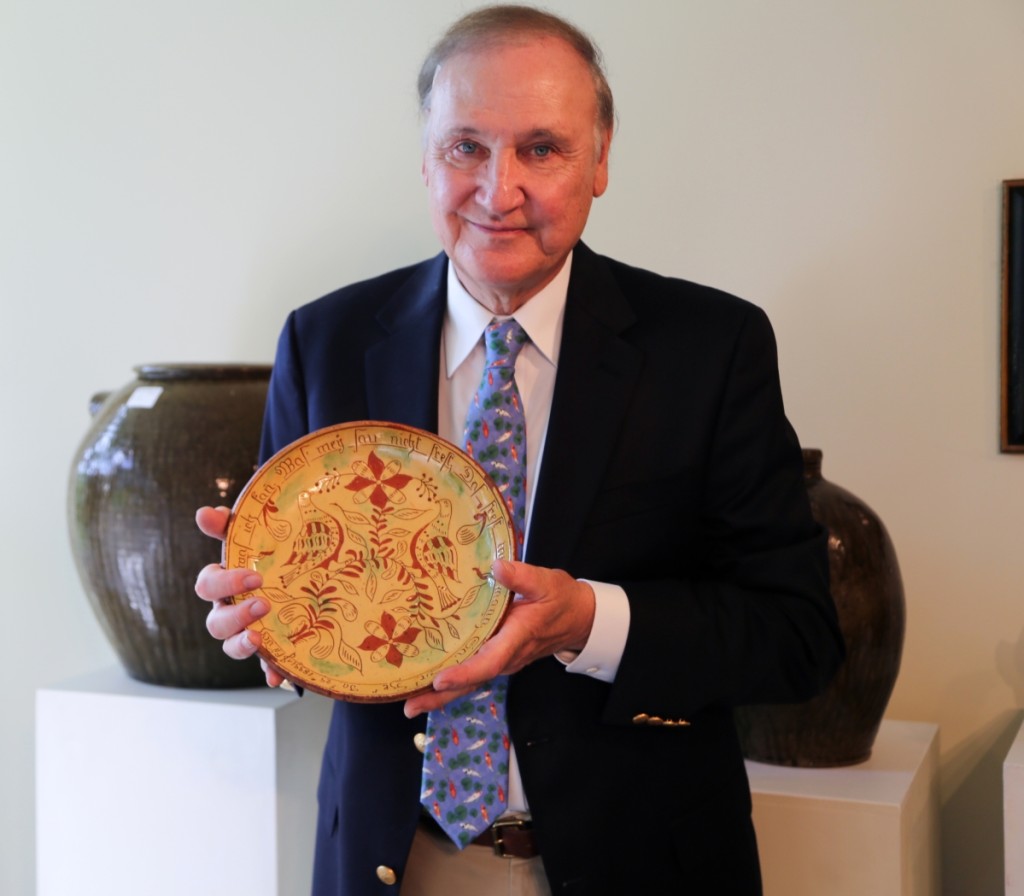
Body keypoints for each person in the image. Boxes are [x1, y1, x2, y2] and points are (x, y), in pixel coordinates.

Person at [195, 6, 844, 895]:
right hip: (396, 859)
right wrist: (262, 623)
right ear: (424, 158)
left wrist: (585, 622)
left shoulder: (711, 348)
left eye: (542, 148)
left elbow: (797, 635)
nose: (499, 191)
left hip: (640, 861)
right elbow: (309, 611)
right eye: (466, 147)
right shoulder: (328, 340)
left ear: (601, 161)